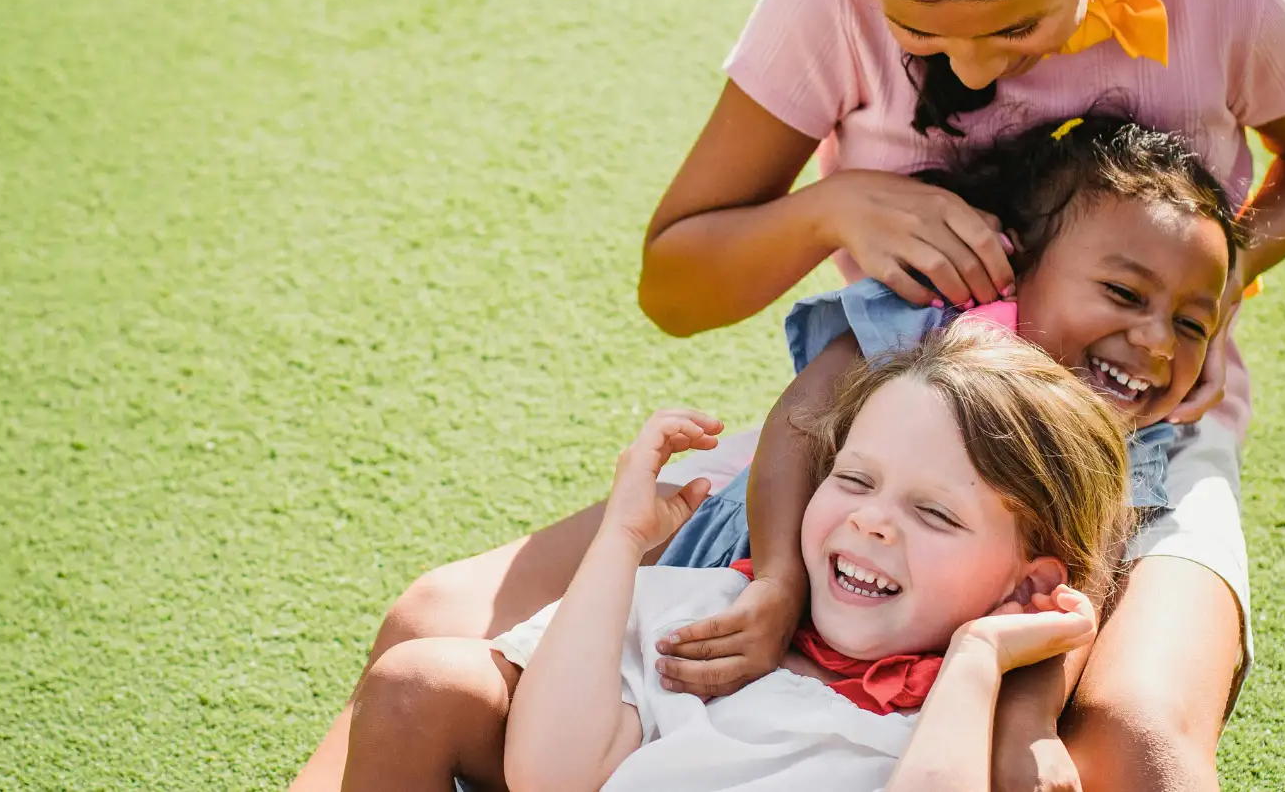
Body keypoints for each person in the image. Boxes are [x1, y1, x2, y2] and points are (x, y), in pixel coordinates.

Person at [291, 0, 1285, 787]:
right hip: (891, 420)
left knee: (1136, 738)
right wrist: (833, 208)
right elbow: (677, 287)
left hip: (1144, 455)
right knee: (426, 621)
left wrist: (1191, 294)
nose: (970, 70)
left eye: (1013, 24)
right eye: (918, 31)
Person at [331, 116, 1244, 791]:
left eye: (1194, 326)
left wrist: (1011, 700)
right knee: (430, 650)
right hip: (756, 574)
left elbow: (1078, 590)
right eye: (1124, 294)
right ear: (1013, 264)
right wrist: (763, 577)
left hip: (902, 656)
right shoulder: (915, 338)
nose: (1158, 343)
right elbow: (799, 428)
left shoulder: (1123, 477)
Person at [392, 321, 1136, 792]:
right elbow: (553, 774)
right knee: (417, 675)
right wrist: (623, 541)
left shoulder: (972, 729)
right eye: (853, 479)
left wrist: (976, 659)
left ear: (1030, 583)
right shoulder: (705, 621)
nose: (872, 521)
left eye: (934, 513)